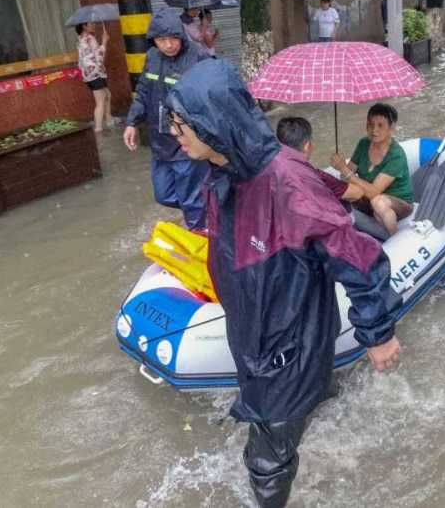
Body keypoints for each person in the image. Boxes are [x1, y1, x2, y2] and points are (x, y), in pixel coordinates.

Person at [166, 60, 403, 508]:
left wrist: (378, 333)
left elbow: (358, 257)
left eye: (181, 124)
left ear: (213, 124)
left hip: (289, 344)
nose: (174, 132)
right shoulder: (225, 170)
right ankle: (315, 402)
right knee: (291, 413)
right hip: (254, 330)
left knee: (266, 461)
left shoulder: (287, 184)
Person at [123, 8, 212, 229]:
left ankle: (199, 234)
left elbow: (213, 94)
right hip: (160, 140)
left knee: (191, 200)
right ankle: (207, 205)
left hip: (188, 140)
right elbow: (143, 91)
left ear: (181, 36)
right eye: (162, 40)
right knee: (163, 194)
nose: (169, 45)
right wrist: (132, 122)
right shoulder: (152, 57)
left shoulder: (197, 56)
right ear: (154, 40)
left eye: (173, 38)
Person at [330, 104, 413, 237]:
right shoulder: (364, 143)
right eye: (370, 124)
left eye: (380, 125)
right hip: (367, 198)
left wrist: (344, 169)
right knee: (338, 195)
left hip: (398, 202)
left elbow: (374, 192)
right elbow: (348, 173)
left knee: (378, 203)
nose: (374, 130)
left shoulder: (396, 155)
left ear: (391, 129)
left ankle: (395, 238)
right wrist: (340, 166)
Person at [275, 117, 361, 202]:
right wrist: (343, 168)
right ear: (307, 146)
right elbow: (357, 193)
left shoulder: (272, 170)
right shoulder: (314, 176)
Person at [76, 21, 110, 133]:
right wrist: (104, 42)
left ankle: (109, 118)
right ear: (84, 26)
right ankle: (98, 128)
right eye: (91, 24)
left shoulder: (81, 39)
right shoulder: (90, 38)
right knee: (100, 101)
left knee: (107, 95)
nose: (94, 25)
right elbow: (99, 58)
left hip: (90, 75)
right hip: (95, 74)